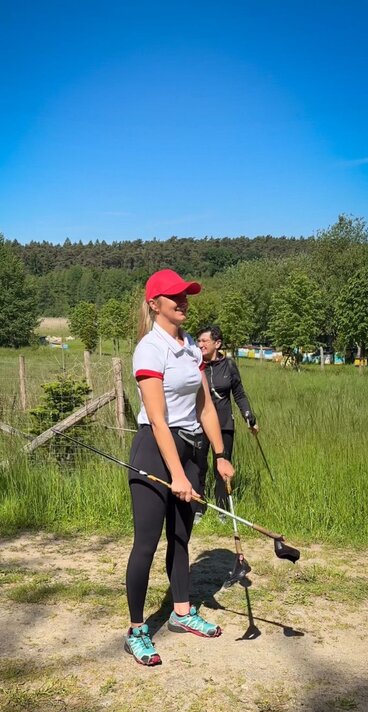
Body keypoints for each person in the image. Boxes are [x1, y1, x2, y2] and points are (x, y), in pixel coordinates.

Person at [125, 270, 235, 666]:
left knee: (181, 536)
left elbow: (205, 407)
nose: (184, 301)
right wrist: (176, 475)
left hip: (189, 451)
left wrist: (220, 454)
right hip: (154, 451)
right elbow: (157, 420)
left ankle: (182, 613)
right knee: (146, 543)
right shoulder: (149, 349)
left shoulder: (190, 346)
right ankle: (136, 631)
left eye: (186, 295)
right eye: (176, 296)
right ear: (155, 304)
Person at [194, 325, 258, 522]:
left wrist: (248, 416)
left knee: (221, 466)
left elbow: (239, 394)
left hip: (224, 424)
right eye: (198, 341)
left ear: (217, 343)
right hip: (200, 423)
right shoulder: (195, 364)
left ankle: (222, 509)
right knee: (199, 466)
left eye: (205, 341)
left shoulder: (228, 365)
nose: (200, 345)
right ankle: (198, 507)